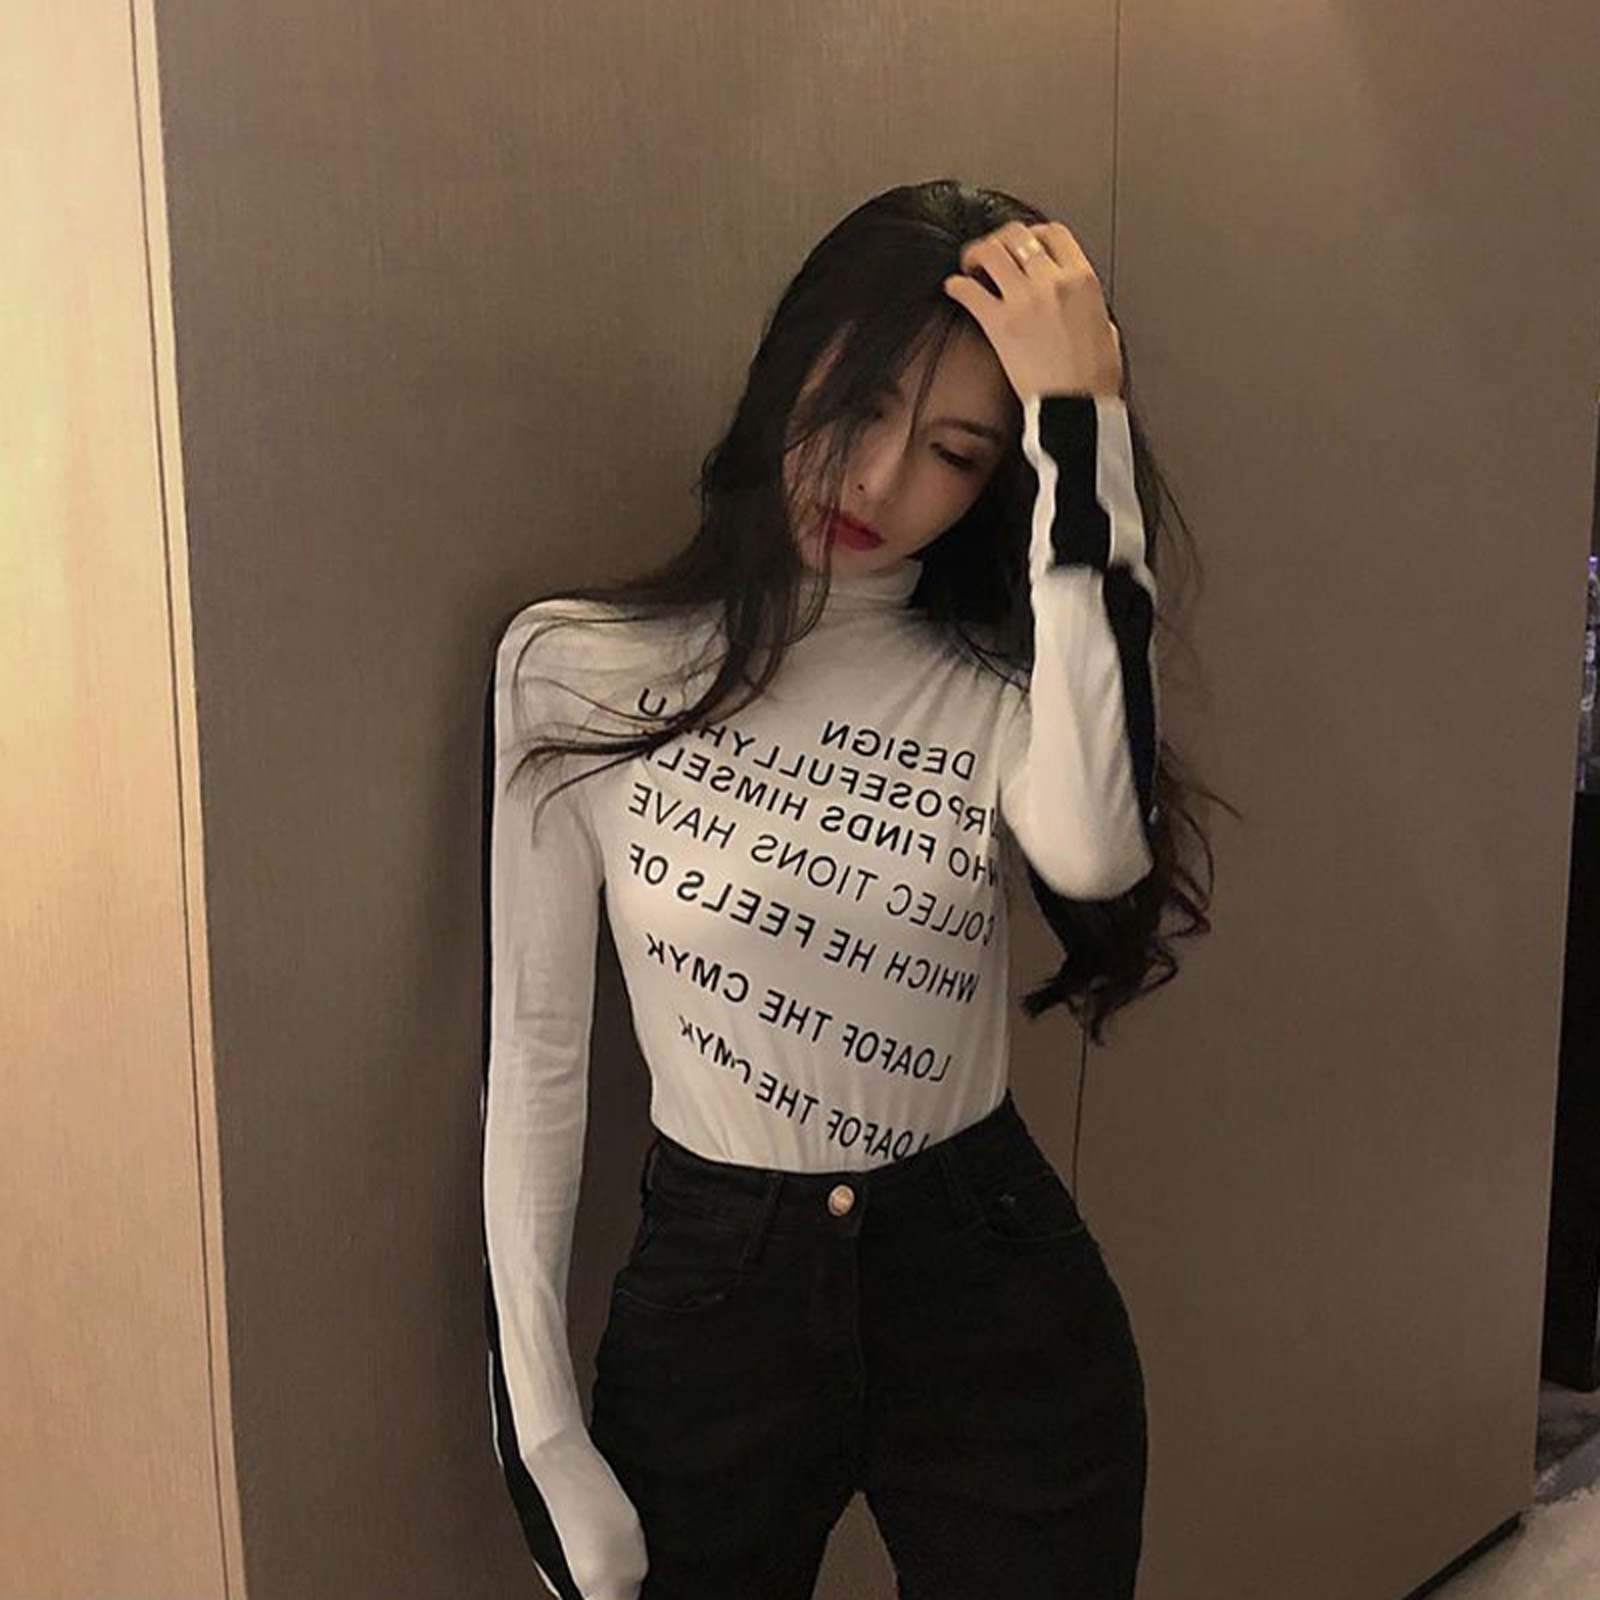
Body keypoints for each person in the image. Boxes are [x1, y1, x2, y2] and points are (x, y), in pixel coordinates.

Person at [480, 178, 1224, 1600]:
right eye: (854, 409)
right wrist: (541, 1433)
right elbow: (536, 1064)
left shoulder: (998, 688)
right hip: (715, 1298)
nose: (879, 482)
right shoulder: (574, 669)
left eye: (953, 452)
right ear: (784, 374)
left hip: (987, 1276)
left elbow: (1098, 855)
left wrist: (1088, 429)